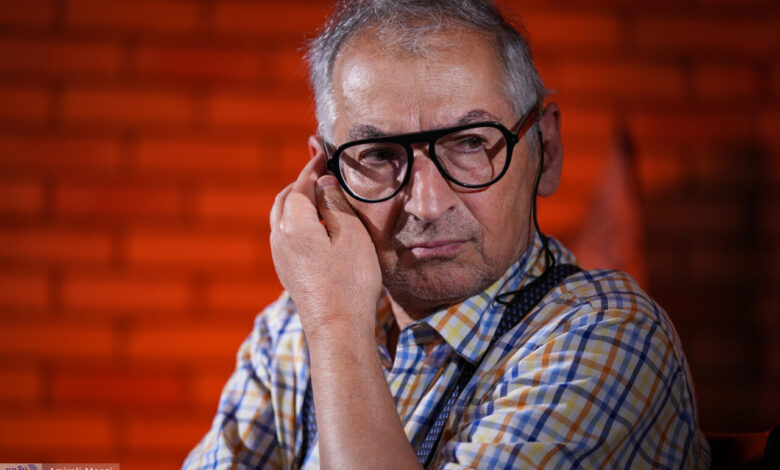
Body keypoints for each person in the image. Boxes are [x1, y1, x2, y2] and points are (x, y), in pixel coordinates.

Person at [184, 0, 710, 468]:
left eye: (470, 143)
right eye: (379, 155)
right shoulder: (289, 332)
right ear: (327, 176)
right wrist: (327, 319)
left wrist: (335, 325)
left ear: (546, 151)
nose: (427, 204)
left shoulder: (608, 336)